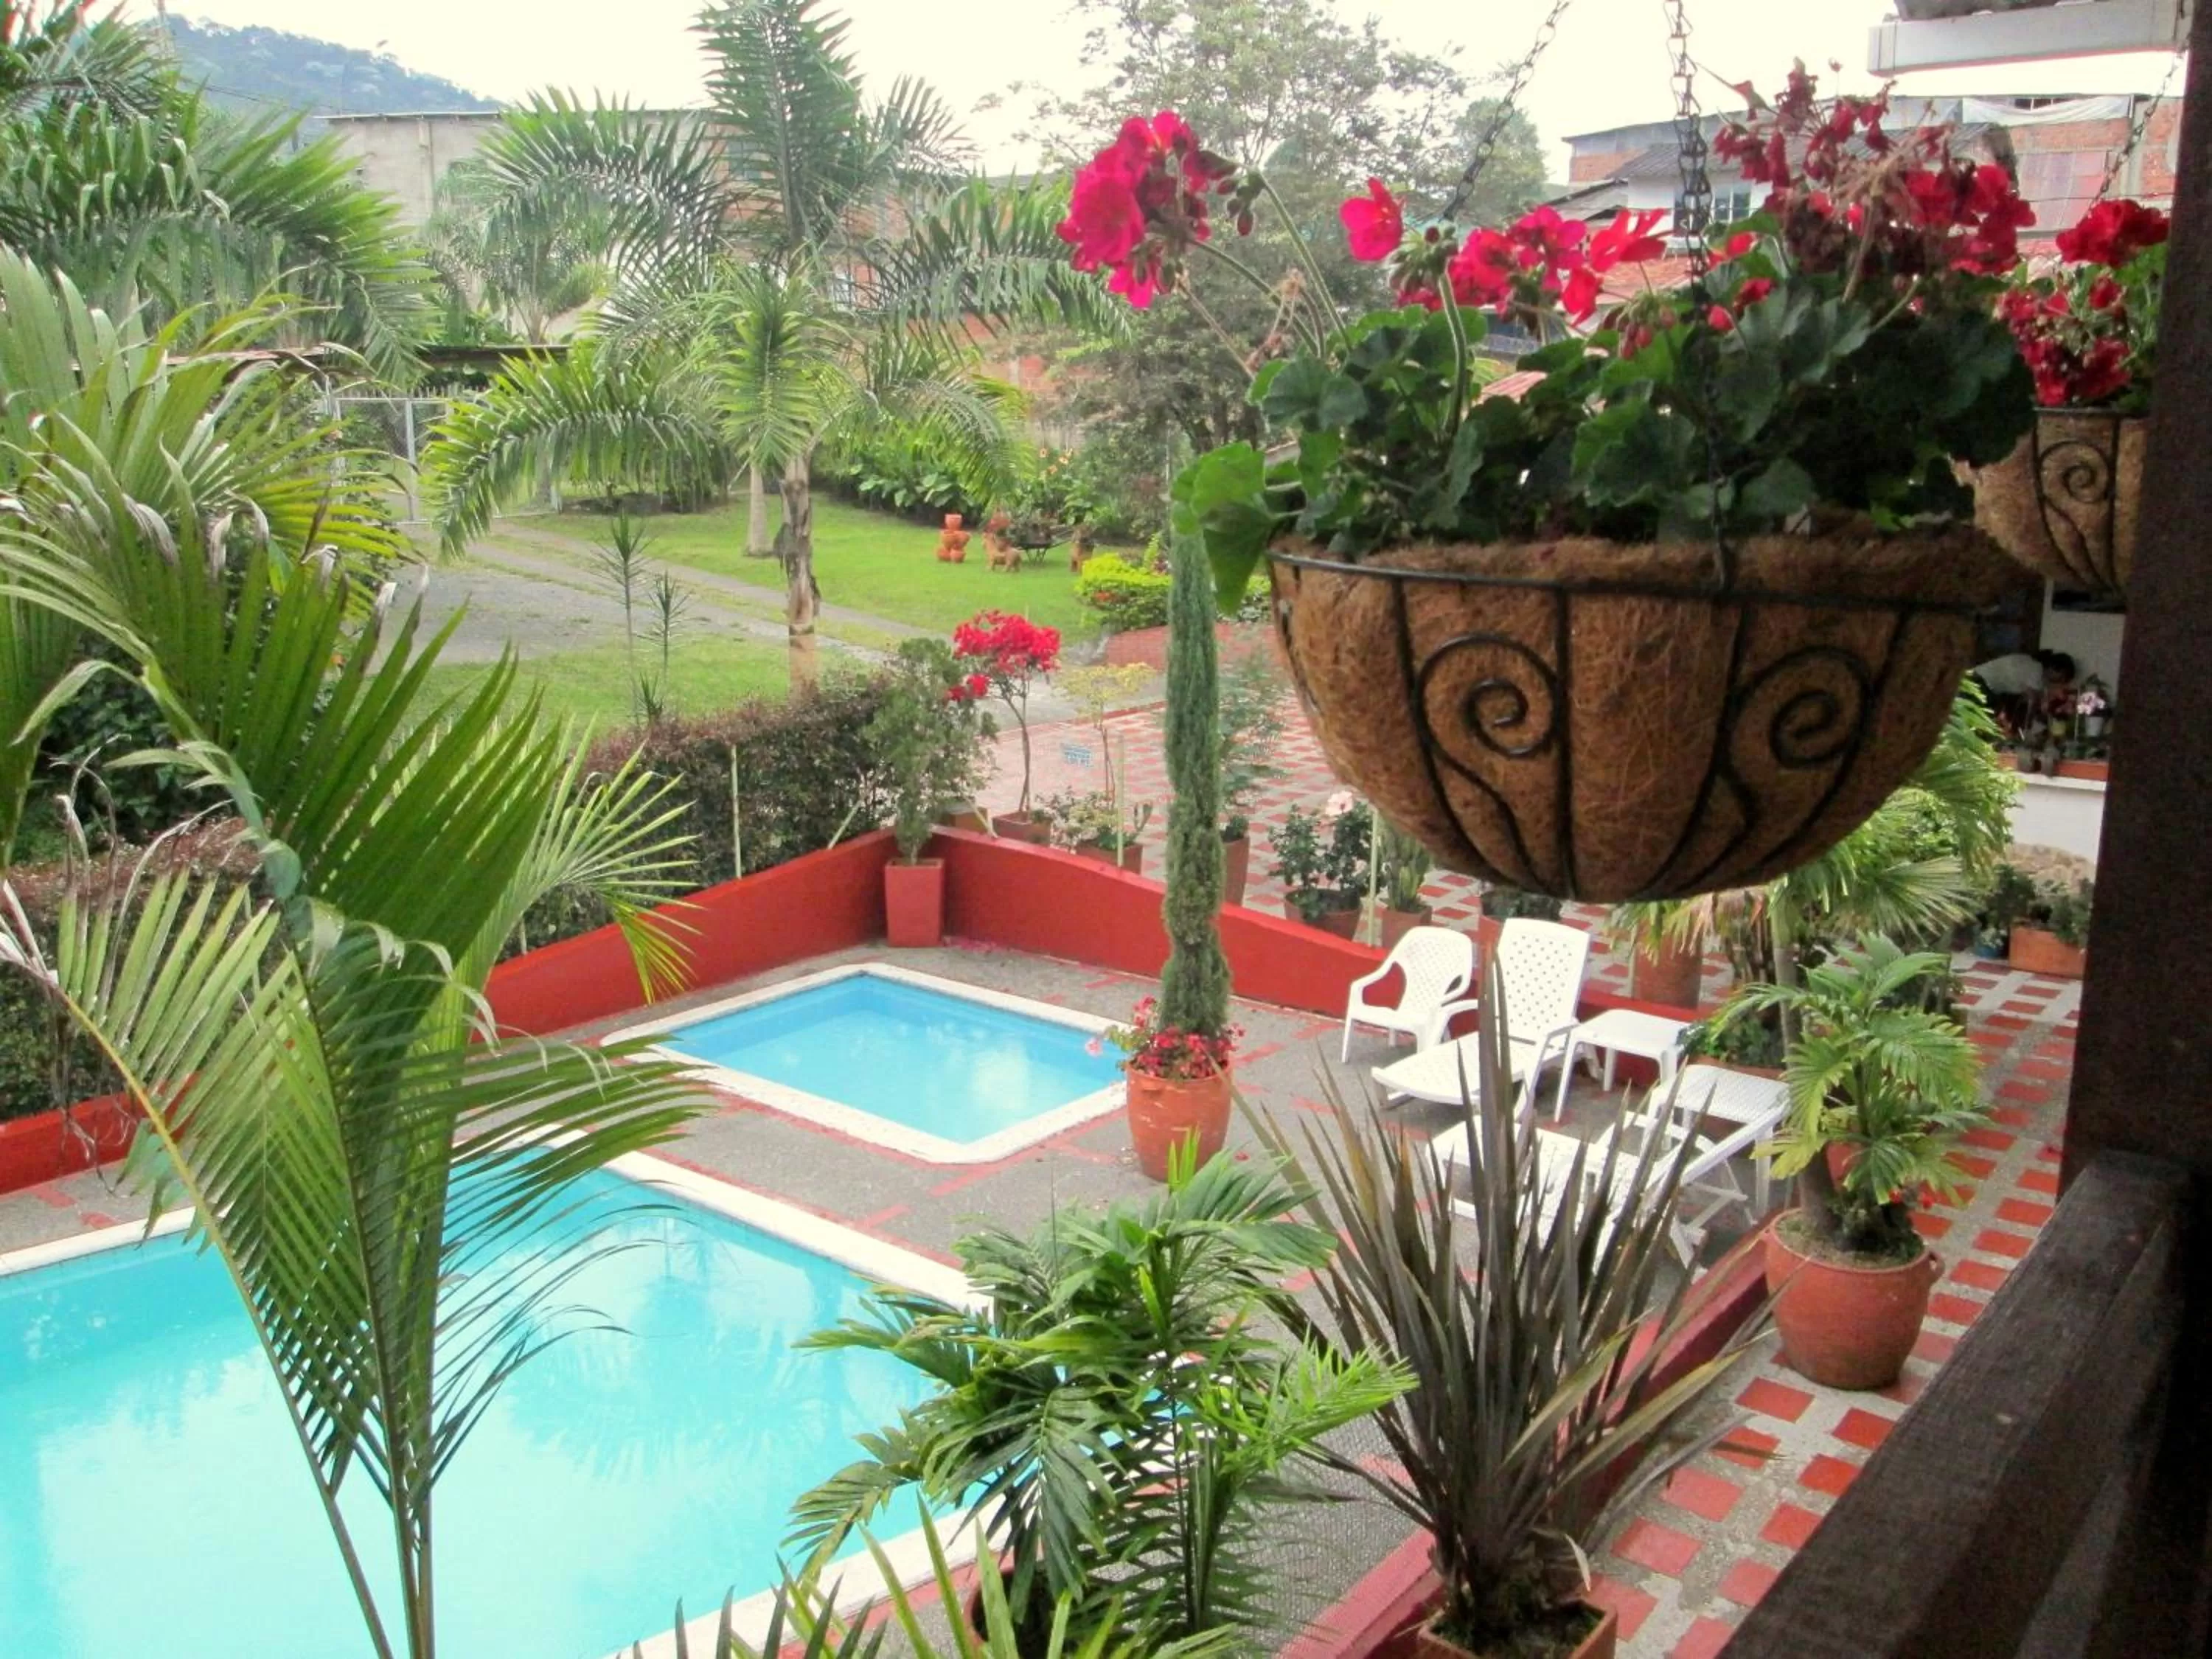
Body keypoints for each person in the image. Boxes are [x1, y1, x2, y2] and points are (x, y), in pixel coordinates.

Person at [1971, 649, 2076, 738]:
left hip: (1979, 681)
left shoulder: (2032, 667)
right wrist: (2028, 728)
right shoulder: (2036, 670)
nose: (2059, 682)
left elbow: (2029, 698)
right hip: (1979, 683)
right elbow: (2032, 702)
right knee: (1986, 722)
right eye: (2061, 678)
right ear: (2054, 669)